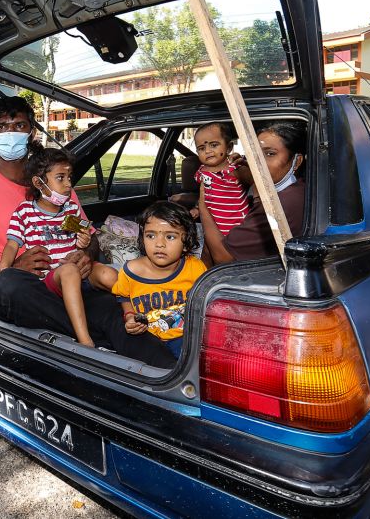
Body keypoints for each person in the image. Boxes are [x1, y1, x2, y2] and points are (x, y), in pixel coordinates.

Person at [0, 96, 176, 368]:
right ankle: (92, 336)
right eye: (2, 127)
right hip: (10, 291)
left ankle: (173, 376)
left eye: (19, 125)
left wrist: (85, 254)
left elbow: (88, 235)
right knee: (11, 284)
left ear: (31, 132)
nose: (10, 133)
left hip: (64, 284)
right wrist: (10, 266)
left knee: (116, 314)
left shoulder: (57, 186)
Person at [0, 146, 99, 347]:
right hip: (52, 278)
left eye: (69, 177)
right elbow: (12, 245)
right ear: (38, 183)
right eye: (61, 178)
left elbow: (85, 236)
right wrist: (3, 269)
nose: (68, 184)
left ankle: (136, 315)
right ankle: (85, 341)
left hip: (78, 273)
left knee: (110, 274)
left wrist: (84, 243)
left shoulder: (71, 209)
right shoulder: (25, 212)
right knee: (69, 271)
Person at [97, 202, 207, 358]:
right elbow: (124, 296)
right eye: (151, 236)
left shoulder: (195, 268)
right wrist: (129, 316)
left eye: (170, 237)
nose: (159, 244)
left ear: (186, 242)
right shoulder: (130, 271)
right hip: (147, 338)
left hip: (185, 337)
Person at [199, 121, 306, 263]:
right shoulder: (297, 189)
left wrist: (203, 206)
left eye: (270, 154)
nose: (258, 163)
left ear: (297, 161)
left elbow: (223, 257)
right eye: (254, 154)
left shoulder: (280, 206)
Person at [193, 122, 248, 237]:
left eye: (214, 145)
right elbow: (206, 195)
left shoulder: (235, 168)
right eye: (201, 148)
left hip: (238, 231)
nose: (207, 151)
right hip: (212, 231)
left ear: (229, 148)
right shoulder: (201, 172)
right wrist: (197, 208)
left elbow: (258, 182)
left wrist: (245, 163)